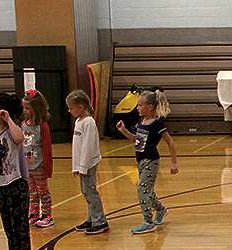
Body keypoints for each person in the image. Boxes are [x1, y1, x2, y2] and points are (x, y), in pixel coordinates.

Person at [116, 89, 179, 234]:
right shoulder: (141, 122)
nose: (137, 108)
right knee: (147, 190)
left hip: (151, 160)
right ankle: (161, 209)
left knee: (142, 190)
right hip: (141, 161)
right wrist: (124, 131)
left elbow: (170, 142)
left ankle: (148, 221)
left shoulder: (157, 123)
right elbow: (137, 141)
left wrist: (174, 162)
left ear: (149, 107)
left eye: (139, 105)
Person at [0, 92, 34, 250]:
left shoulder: (12, 130)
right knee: (9, 228)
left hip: (16, 185)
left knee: (20, 227)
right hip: (2, 186)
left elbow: (19, 139)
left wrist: (8, 119)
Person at [67, 90, 109, 234]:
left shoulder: (89, 122)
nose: (69, 110)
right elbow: (76, 147)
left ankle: (100, 221)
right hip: (82, 164)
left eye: (71, 107)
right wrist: (75, 166)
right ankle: (91, 218)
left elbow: (88, 147)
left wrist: (83, 166)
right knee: (85, 192)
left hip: (89, 164)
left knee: (90, 191)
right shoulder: (79, 121)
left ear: (81, 106)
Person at [21, 89, 54, 228]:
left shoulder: (42, 126)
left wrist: (47, 168)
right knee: (32, 192)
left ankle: (47, 215)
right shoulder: (23, 124)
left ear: (36, 109)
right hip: (27, 166)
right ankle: (33, 214)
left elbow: (47, 148)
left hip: (39, 166)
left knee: (43, 192)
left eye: (27, 108)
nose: (25, 111)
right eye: (24, 108)